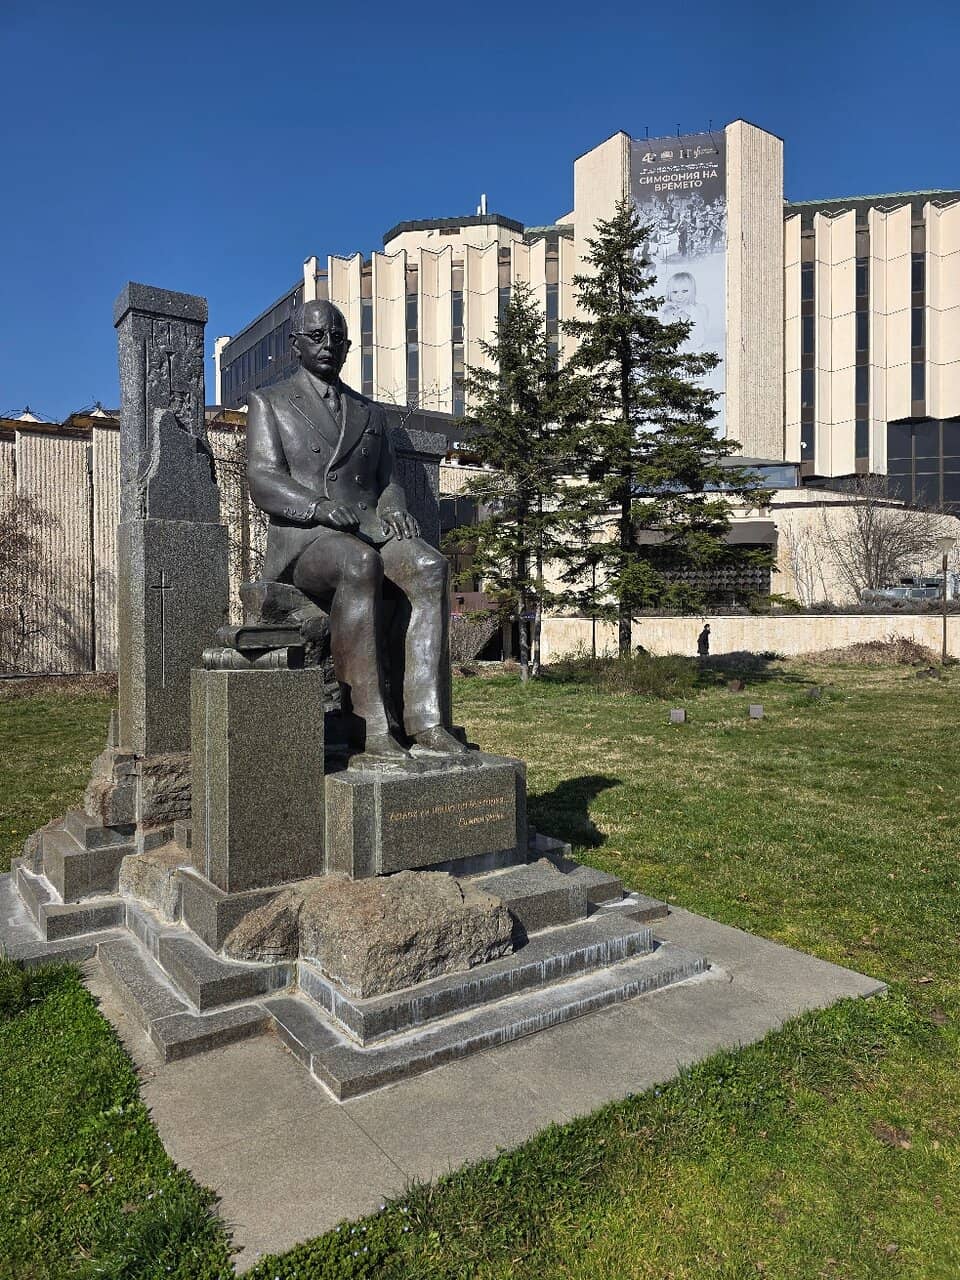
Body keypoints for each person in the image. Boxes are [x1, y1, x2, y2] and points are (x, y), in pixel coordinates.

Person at [246, 298, 467, 762]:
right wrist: (318, 507)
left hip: (369, 530)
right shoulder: (270, 402)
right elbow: (262, 478)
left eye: (338, 339)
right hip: (307, 541)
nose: (328, 345)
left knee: (429, 565)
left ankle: (426, 722)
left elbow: (387, 480)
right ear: (295, 345)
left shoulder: (368, 412)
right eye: (317, 336)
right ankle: (370, 725)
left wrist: (395, 510)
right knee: (357, 562)